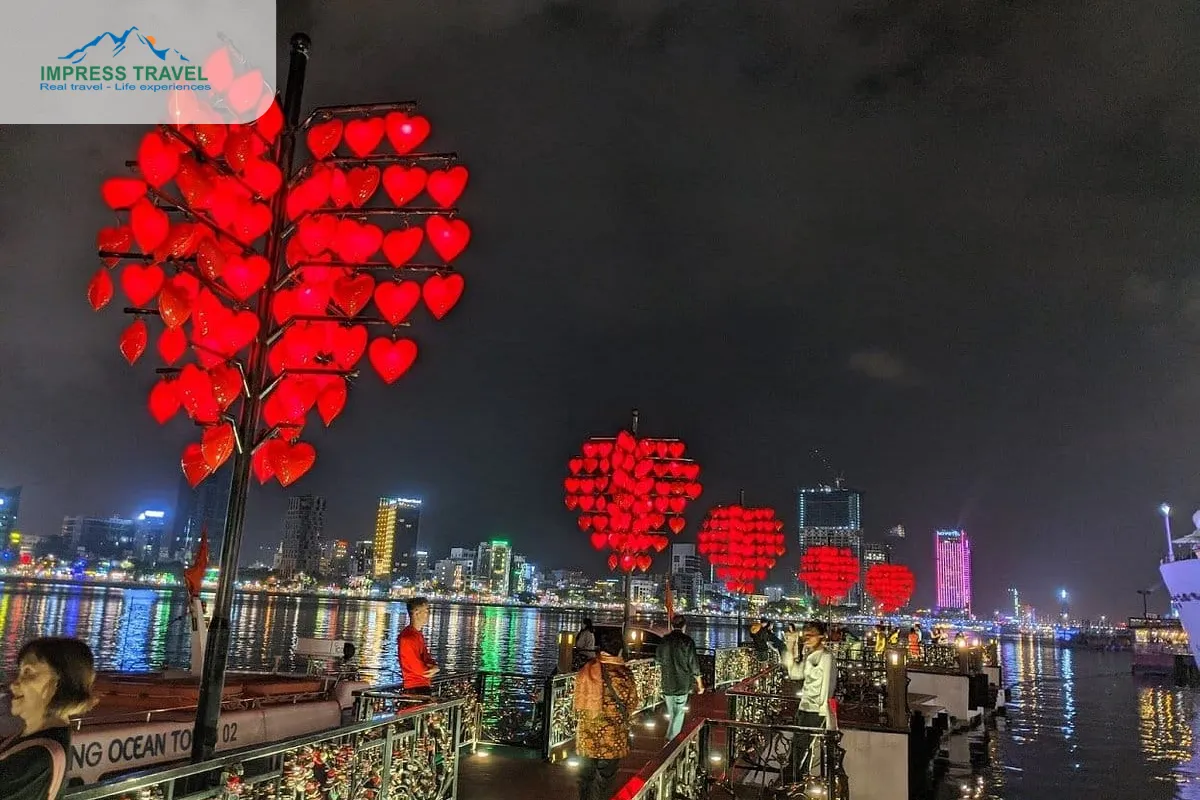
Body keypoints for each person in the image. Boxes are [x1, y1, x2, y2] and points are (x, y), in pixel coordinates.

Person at [1, 637, 97, 800]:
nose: (14, 684)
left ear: (59, 682)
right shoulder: (30, 741)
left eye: (28, 672)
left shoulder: (37, 758)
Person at [574, 629, 639, 800]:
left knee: (585, 777)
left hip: (587, 734)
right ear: (619, 649)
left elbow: (577, 700)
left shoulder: (586, 670)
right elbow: (632, 703)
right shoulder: (624, 674)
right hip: (612, 737)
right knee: (605, 779)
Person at [796, 622, 836, 775]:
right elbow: (797, 675)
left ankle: (795, 778)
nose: (807, 637)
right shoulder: (808, 654)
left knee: (803, 746)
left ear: (821, 636)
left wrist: (823, 712)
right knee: (800, 745)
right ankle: (798, 777)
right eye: (805, 634)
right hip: (803, 706)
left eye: (810, 634)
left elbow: (828, 686)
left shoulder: (827, 657)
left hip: (815, 711)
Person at [655, 615, 704, 742]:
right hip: (682, 682)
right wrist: (700, 684)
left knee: (673, 713)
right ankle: (671, 740)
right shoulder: (687, 641)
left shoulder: (664, 641)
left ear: (672, 626)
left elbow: (658, 659)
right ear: (684, 626)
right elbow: (694, 664)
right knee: (679, 713)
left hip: (667, 681)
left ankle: (671, 738)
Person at [397, 597, 439, 693]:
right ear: (416, 613)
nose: (428, 614)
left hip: (422, 685)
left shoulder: (417, 635)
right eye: (426, 611)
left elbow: (426, 657)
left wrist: (434, 667)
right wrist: (432, 668)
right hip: (415, 688)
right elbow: (418, 668)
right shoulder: (407, 637)